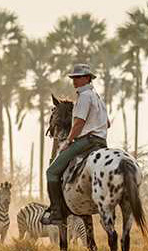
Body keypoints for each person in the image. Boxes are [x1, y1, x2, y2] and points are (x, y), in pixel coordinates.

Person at [41, 64, 109, 225]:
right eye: (73, 77)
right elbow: (108, 123)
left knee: (51, 171)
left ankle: (56, 212)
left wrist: (68, 141)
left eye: (78, 77)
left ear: (87, 78)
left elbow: (78, 123)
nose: (74, 80)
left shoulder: (84, 97)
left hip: (87, 141)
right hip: (102, 142)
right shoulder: (97, 97)